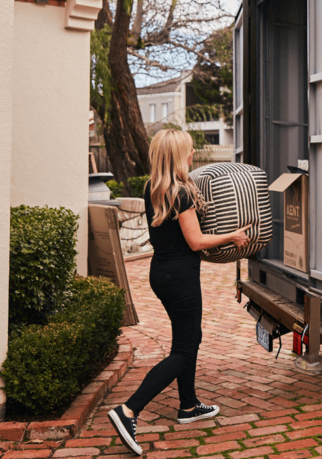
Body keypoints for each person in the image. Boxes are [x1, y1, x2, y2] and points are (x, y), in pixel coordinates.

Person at [108, 129, 250, 456]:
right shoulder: (181, 193)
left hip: (161, 273)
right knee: (184, 350)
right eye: (188, 150)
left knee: (187, 339)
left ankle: (188, 406)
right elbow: (197, 242)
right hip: (182, 277)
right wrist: (232, 236)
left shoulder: (153, 188)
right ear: (177, 155)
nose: (192, 155)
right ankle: (128, 410)